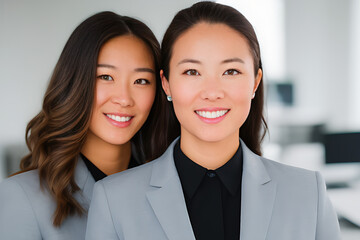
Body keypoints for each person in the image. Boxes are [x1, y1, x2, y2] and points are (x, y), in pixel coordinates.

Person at [86, 2, 341, 240]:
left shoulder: (309, 193)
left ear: (255, 81)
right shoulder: (113, 200)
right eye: (192, 72)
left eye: (231, 71)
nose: (212, 91)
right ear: (166, 84)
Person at [0, 11, 169, 239]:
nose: (124, 98)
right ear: (75, 82)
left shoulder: (171, 188)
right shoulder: (22, 197)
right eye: (106, 77)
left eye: (141, 81)